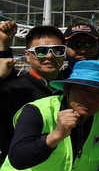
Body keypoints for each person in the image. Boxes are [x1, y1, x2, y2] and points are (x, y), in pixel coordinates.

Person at [0, 24, 65, 158]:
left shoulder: (74, 90)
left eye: (58, 50)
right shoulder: (12, 89)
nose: (50, 56)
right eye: (41, 50)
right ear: (27, 55)